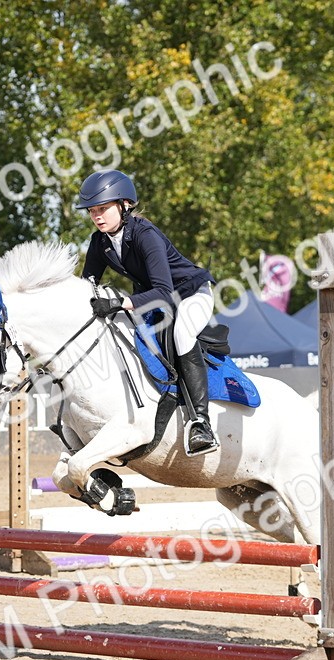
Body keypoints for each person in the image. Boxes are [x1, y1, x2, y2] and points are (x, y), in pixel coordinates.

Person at [75, 168, 219, 455]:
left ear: (124, 205)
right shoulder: (99, 242)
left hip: (189, 294)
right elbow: (86, 286)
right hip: (152, 299)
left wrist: (119, 302)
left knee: (181, 332)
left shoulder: (145, 234)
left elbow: (165, 292)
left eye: (103, 208)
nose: (97, 216)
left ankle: (200, 423)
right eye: (92, 211)